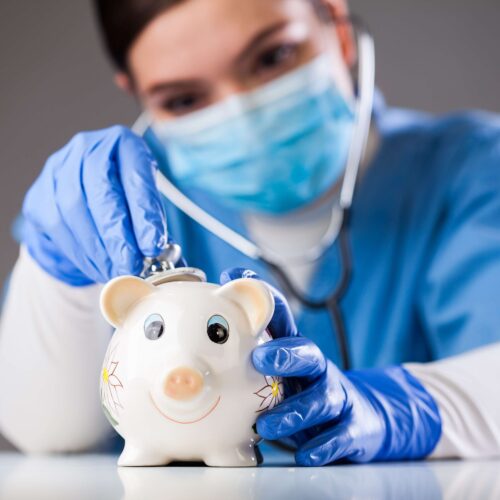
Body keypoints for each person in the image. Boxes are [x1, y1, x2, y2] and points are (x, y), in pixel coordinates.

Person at [0, 0, 499, 466]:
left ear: (338, 28)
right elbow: (45, 434)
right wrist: (55, 273)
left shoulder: (474, 173)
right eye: (185, 98)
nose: (244, 114)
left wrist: (404, 409)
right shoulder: (120, 208)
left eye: (274, 56)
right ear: (138, 94)